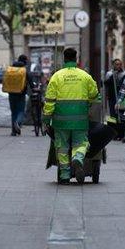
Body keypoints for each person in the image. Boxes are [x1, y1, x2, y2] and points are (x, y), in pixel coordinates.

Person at [42, 48, 100, 184]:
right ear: (76, 58)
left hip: (60, 122)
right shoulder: (85, 76)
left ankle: (64, 176)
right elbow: (94, 94)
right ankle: (78, 158)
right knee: (81, 143)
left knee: (62, 147)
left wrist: (46, 119)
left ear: (64, 58)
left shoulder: (56, 76)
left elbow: (49, 101)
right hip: (80, 121)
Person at [2, 54, 32, 136]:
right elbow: (31, 83)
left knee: (13, 112)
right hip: (21, 94)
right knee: (21, 111)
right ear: (25, 61)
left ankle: (13, 131)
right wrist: (33, 88)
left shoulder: (10, 69)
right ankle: (18, 123)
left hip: (11, 93)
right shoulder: (24, 70)